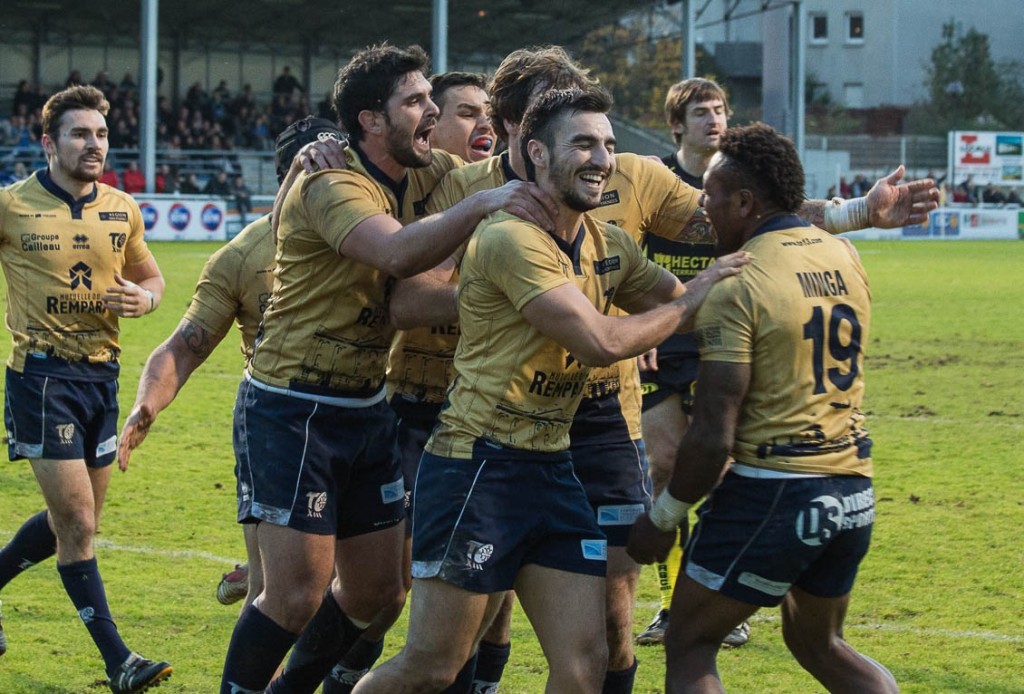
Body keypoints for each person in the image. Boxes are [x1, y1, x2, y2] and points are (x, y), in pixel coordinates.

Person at [354, 85, 745, 694]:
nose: (602, 159)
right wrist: (698, 294)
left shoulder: (605, 242)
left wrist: (774, 281)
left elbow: (681, 307)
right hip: (477, 468)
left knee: (586, 666)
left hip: (552, 467)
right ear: (535, 151)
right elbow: (602, 342)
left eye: (609, 145)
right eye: (583, 144)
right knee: (433, 668)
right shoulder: (511, 239)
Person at [219, 43, 555, 694]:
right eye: (417, 101)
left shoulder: (427, 175)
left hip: (369, 404)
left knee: (379, 589)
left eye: (437, 101)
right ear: (371, 120)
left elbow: (480, 183)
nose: (432, 111)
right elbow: (399, 254)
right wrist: (488, 212)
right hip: (297, 404)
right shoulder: (334, 179)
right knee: (293, 598)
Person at [635, 77, 941, 648]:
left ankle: (714, 587)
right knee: (666, 463)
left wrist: (857, 211)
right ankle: (674, 599)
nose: (714, 120)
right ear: (676, 125)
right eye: (701, 112)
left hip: (737, 326)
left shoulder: (746, 194)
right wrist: (641, 321)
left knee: (715, 455)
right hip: (668, 342)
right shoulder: (650, 179)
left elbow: (783, 214)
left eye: (720, 109)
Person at [117, 116, 346, 615]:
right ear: (294, 175)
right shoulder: (242, 256)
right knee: (288, 592)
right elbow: (184, 346)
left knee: (369, 586)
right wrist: (146, 405)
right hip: (278, 423)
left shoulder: (370, 235)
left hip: (362, 413)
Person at [0, 84, 171, 692]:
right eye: (80, 134)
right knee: (77, 524)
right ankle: (119, 661)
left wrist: (144, 297)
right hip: (40, 377)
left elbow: (151, 277)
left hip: (101, 375)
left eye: (101, 134)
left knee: (77, 516)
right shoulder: (11, 205)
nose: (94, 144)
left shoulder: (122, 208)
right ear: (48, 143)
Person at [428, 72, 495, 163]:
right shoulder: (408, 175)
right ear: (429, 127)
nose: (487, 125)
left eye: (490, 115)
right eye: (468, 114)